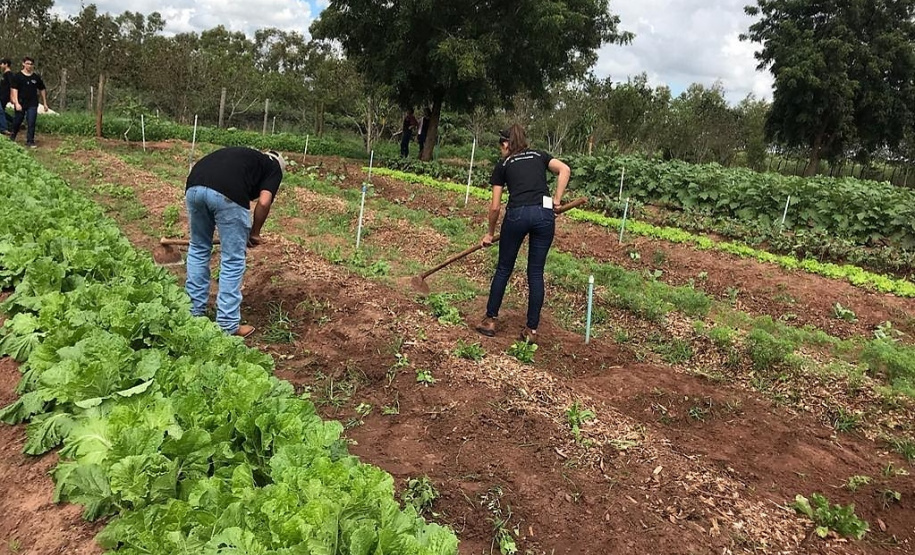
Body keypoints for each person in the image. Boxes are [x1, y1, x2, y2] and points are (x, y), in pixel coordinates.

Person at [476, 124, 571, 342]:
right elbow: (564, 169)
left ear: (507, 144)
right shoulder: (539, 155)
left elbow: (495, 207)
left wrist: (489, 234)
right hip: (544, 215)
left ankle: (490, 320)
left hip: (517, 215)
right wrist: (556, 201)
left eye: (501, 146)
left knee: (503, 269)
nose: (501, 150)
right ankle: (531, 330)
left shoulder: (504, 164)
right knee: (535, 272)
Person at [185, 147, 286, 337]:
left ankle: (193, 313)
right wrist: (254, 233)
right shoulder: (274, 168)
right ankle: (227, 324)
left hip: (194, 186)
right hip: (228, 192)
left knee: (198, 248)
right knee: (233, 259)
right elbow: (264, 202)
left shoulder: (246, 156)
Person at [9, 57, 48, 148]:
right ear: (23, 64)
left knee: (31, 121)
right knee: (18, 120)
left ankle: (30, 141)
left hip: (32, 103)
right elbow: (14, 90)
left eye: (31, 64)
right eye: (27, 63)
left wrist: (45, 103)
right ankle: (12, 136)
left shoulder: (36, 77)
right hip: (21, 102)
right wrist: (16, 103)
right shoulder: (17, 76)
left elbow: (42, 89)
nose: (29, 66)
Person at [0, 58, 12, 135]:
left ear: (6, 64)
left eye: (1, 64)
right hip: (1, 96)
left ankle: (4, 128)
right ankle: (15, 122)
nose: (0, 66)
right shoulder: (4, 74)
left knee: (1, 111)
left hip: (4, 96)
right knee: (2, 111)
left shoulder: (9, 74)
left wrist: (12, 97)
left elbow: (12, 86)